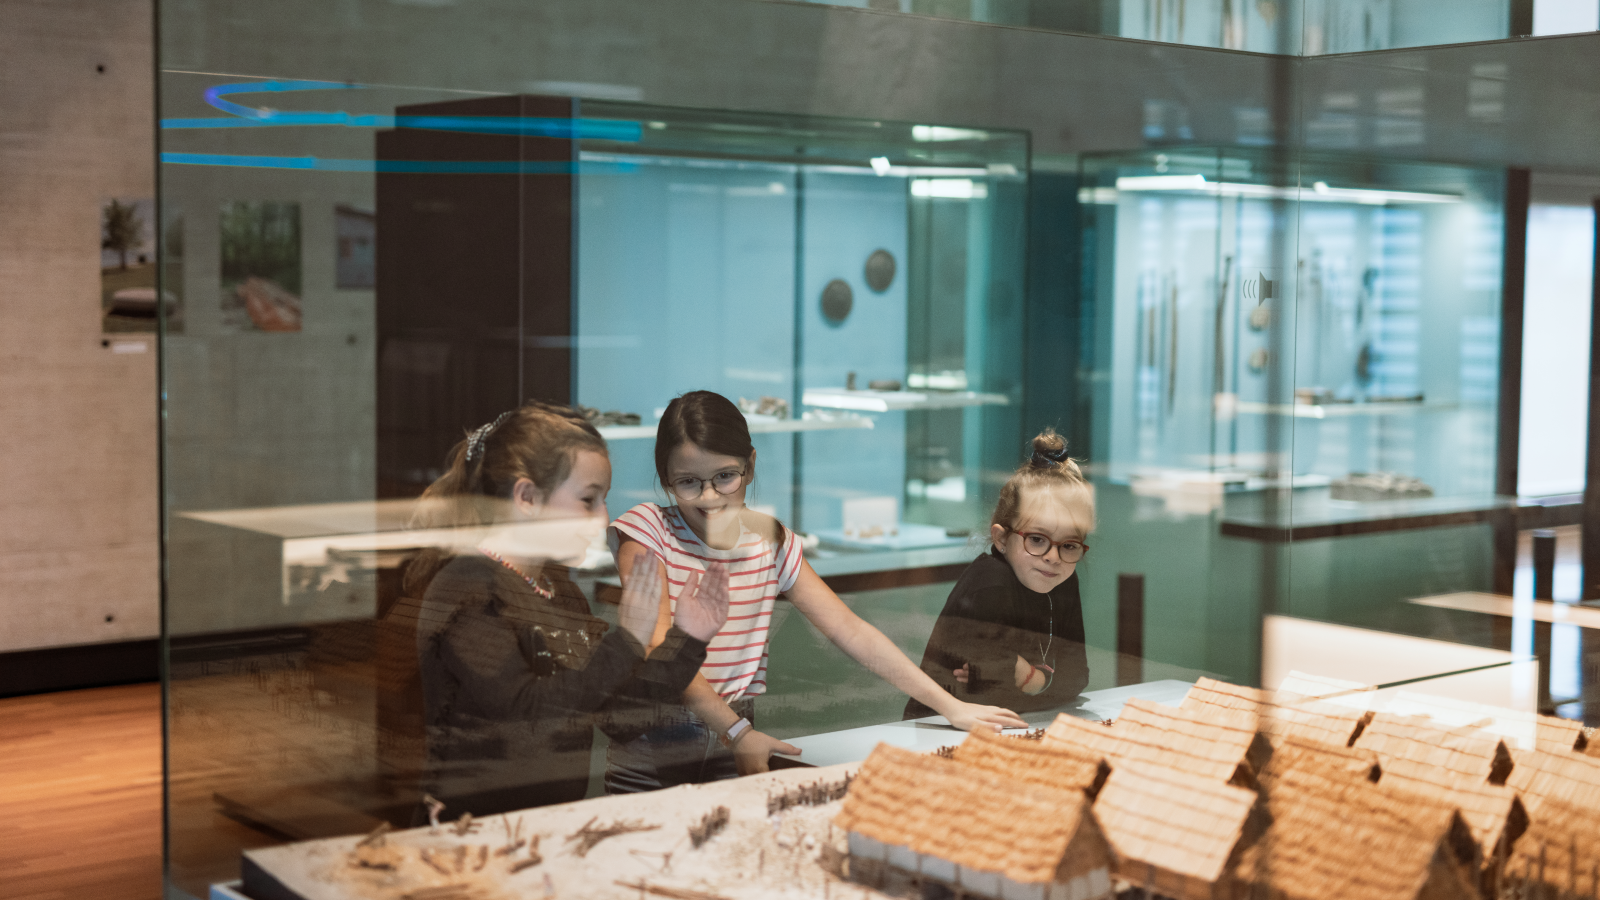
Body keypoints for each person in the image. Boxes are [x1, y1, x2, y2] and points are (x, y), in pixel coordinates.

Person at [605, 390, 1027, 792]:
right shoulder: (648, 529)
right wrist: (737, 731)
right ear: (665, 480)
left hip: (735, 729)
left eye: (725, 477)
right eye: (688, 483)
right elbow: (659, 644)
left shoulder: (770, 539)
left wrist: (949, 706)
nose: (710, 496)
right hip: (662, 733)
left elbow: (847, 628)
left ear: (750, 466)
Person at [409, 402, 730, 818]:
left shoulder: (558, 588)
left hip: (545, 825)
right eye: (587, 500)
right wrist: (628, 638)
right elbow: (530, 719)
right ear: (527, 497)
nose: (602, 519)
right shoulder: (468, 587)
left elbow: (624, 720)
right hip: (470, 830)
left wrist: (688, 638)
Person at [903, 429, 1093, 720]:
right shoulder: (990, 584)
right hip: (938, 728)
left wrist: (1030, 677)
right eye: (1037, 540)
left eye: (1069, 545)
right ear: (1001, 539)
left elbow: (1077, 679)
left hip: (1018, 724)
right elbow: (989, 695)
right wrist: (1041, 681)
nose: (1053, 557)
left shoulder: (1063, 577)